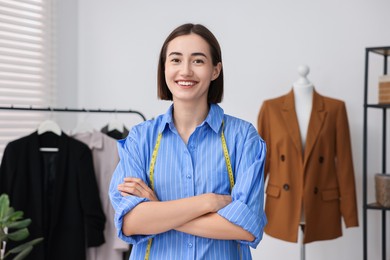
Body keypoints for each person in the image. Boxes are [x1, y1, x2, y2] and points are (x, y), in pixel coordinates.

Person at [109, 23, 267, 260]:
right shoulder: (140, 139)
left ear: (215, 70)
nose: (185, 71)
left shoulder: (242, 138)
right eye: (175, 60)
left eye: (198, 61)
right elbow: (131, 222)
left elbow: (245, 227)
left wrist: (158, 209)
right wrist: (208, 202)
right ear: (164, 68)